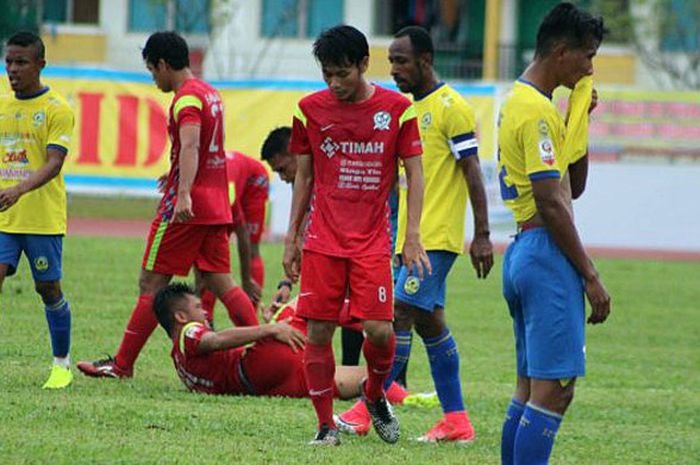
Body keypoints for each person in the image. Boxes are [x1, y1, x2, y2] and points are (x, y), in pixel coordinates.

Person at [336, 25, 494, 442]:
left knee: (396, 314)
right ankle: (457, 421)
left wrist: (481, 233)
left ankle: (365, 407)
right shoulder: (407, 111)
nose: (394, 70)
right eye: (390, 61)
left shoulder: (451, 107)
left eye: (401, 61)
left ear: (425, 60)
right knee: (431, 325)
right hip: (411, 237)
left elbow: (472, 171)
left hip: (436, 239)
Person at [77, 31, 258, 379]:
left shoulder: (186, 100)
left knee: (151, 283)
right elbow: (205, 150)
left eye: (151, 70)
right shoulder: (209, 93)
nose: (153, 78)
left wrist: (184, 191)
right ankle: (264, 346)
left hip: (188, 207)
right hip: (218, 202)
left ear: (162, 64)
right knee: (221, 280)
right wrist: (175, 172)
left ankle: (122, 364)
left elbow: (191, 146)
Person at [284, 24, 430, 446]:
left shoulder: (397, 109)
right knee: (318, 332)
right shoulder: (309, 110)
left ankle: (373, 394)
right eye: (327, 74)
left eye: (342, 74)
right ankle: (325, 426)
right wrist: (292, 237)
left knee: (381, 332)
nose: (335, 83)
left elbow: (414, 174)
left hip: (372, 241)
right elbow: (304, 177)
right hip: (323, 241)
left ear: (365, 64)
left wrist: (412, 234)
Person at [496, 4, 611, 464]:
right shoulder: (536, 112)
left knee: (531, 388)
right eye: (586, 56)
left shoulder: (524, 103)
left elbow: (572, 186)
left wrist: (579, 115)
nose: (589, 66)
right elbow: (551, 201)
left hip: (525, 250)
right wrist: (589, 274)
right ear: (561, 52)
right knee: (554, 392)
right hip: (544, 252)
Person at [154, 283, 409, 403]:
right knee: (306, 303)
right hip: (259, 365)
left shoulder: (179, 360)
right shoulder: (188, 332)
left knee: (363, 380)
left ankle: (410, 398)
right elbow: (216, 340)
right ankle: (377, 316)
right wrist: (271, 327)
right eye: (198, 308)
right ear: (180, 317)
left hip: (265, 385)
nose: (205, 313)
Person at [0, 31, 75, 389]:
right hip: (4, 216)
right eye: (8, 61)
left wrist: (19, 189)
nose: (12, 69)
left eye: (21, 62)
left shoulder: (56, 109)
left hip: (42, 218)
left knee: (48, 288)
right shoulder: (1, 106)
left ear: (40, 65)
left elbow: (54, 163)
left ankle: (61, 364)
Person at [197, 149, 269, 320]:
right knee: (208, 255)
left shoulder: (225, 194)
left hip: (253, 181)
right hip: (220, 191)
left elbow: (242, 234)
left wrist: (246, 280)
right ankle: (206, 319)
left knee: (252, 249)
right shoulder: (195, 187)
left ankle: (250, 318)